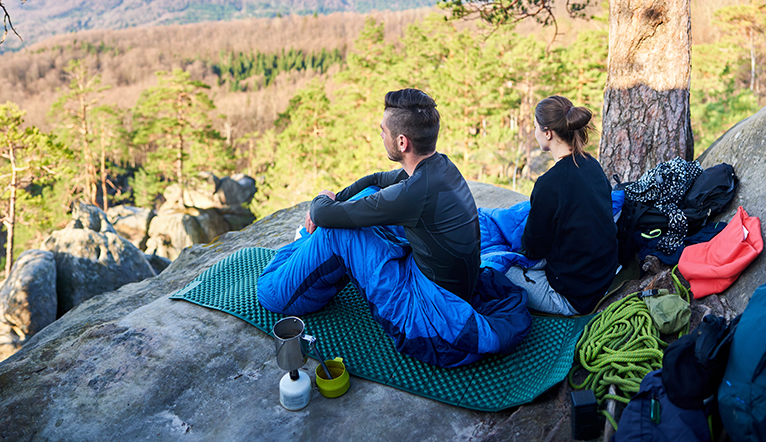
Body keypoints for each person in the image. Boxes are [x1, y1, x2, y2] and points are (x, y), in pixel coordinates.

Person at [258, 88, 531, 368]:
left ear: (402, 142)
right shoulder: (440, 166)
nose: (380, 135)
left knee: (330, 237)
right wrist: (338, 199)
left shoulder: (414, 193)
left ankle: (284, 283)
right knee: (363, 200)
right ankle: (307, 249)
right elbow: (376, 179)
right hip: (445, 283)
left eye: (383, 131)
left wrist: (324, 198)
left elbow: (322, 213)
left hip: (428, 311)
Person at [506, 95, 618, 315]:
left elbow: (533, 247)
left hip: (575, 297)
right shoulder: (592, 165)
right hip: (605, 276)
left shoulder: (548, 184)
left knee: (497, 269)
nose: (535, 132)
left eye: (536, 127)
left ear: (548, 133)